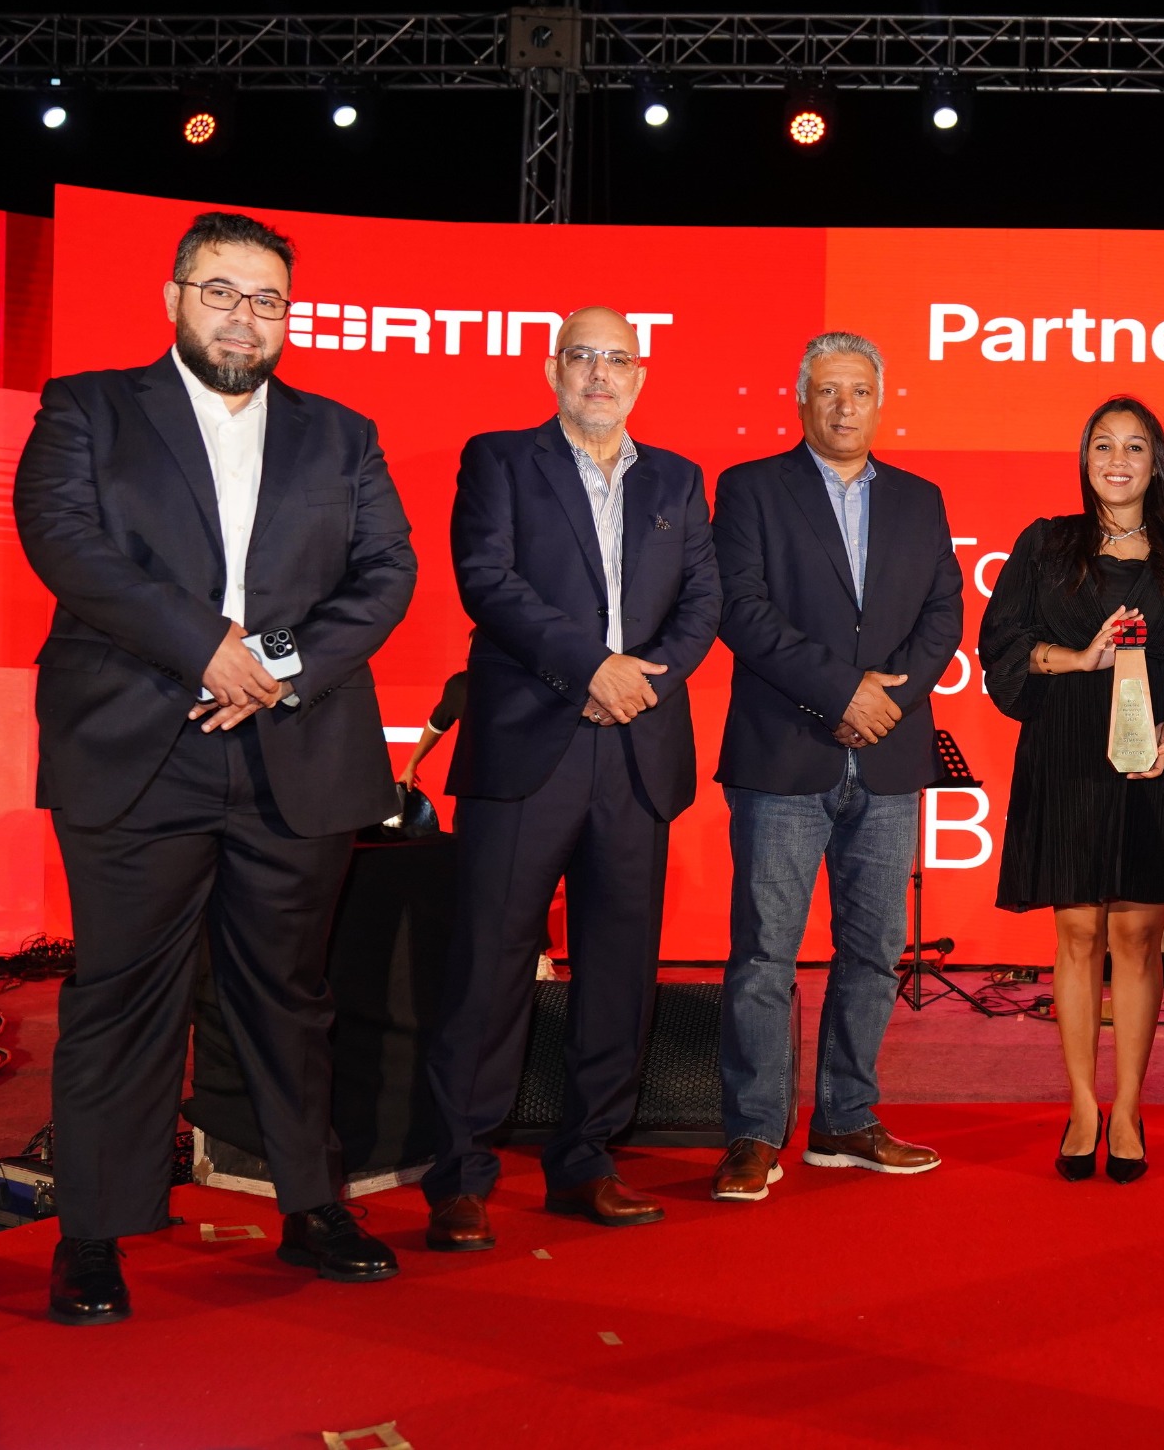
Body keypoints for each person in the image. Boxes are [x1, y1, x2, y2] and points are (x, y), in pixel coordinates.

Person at [13, 211, 417, 1325]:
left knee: (289, 995)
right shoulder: (88, 408)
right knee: (121, 993)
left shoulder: (343, 435)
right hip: (135, 745)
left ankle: (312, 1205)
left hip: (294, 748)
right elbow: (65, 542)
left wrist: (270, 666)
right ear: (174, 297)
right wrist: (205, 648)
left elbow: (386, 572)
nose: (245, 317)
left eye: (268, 299)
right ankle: (94, 1233)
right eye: (222, 292)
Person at [420, 309, 720, 1248]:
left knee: (620, 968)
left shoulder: (678, 478)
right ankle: (461, 1172)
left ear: (641, 375)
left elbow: (703, 600)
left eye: (617, 358)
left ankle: (587, 1159)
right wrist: (591, 669)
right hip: (528, 742)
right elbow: (488, 581)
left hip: (638, 746)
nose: (600, 373)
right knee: (491, 961)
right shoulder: (500, 459)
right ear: (554, 368)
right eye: (582, 356)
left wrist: (639, 683)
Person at [708, 332, 965, 1202]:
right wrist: (841, 692)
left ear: (880, 402)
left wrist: (887, 700)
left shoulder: (921, 500)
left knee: (875, 952)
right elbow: (741, 610)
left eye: (859, 391)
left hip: (889, 756)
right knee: (763, 956)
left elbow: (943, 614)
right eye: (828, 391)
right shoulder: (751, 488)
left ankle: (846, 1118)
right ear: (801, 400)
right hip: (784, 753)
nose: (844, 406)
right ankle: (752, 1133)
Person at [979, 396, 1164, 1184]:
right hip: (1067, 752)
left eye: (1135, 446)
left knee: (1136, 938)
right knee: (1074, 935)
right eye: (1104, 445)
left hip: (1155, 757)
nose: (1118, 460)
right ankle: (1082, 1106)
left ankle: (1127, 1106)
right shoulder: (1046, 544)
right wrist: (1080, 658)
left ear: (1156, 463)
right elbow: (1004, 645)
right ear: (1085, 458)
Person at [392, 670, 469, 788]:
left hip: (473, 780)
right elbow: (436, 726)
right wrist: (412, 763)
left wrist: (412, 764)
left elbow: (436, 726)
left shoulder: (460, 685)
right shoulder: (459, 686)